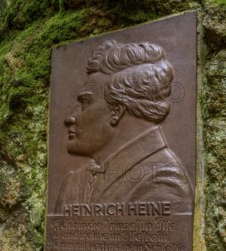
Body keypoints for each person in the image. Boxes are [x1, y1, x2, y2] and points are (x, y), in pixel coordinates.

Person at [54, 39, 193, 215]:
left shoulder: (161, 181)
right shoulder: (74, 184)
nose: (69, 118)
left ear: (117, 111)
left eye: (85, 104)